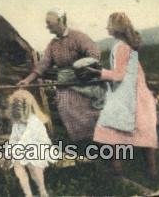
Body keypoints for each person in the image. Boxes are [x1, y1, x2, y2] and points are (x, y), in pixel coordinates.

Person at [90, 12, 158, 179]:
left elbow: (119, 75)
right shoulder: (128, 45)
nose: (107, 27)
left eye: (109, 24)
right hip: (139, 95)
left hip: (127, 97)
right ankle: (152, 171)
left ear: (116, 28)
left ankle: (117, 170)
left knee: (110, 132)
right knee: (144, 133)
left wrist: (98, 73)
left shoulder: (120, 46)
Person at [18, 8, 101, 141]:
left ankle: (98, 141)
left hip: (84, 83)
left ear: (61, 21)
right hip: (65, 86)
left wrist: (81, 68)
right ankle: (82, 144)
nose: (47, 26)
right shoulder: (53, 44)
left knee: (90, 112)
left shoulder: (78, 37)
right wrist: (27, 80)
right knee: (65, 107)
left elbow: (94, 53)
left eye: (49, 23)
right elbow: (43, 63)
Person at [6, 90, 55, 197]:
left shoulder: (34, 122)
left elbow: (25, 140)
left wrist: (15, 151)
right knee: (17, 164)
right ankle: (28, 194)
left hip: (38, 147)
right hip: (23, 148)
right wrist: (9, 152)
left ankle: (42, 190)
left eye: (21, 118)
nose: (19, 121)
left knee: (32, 164)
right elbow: (13, 139)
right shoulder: (17, 122)